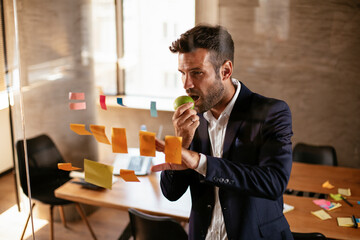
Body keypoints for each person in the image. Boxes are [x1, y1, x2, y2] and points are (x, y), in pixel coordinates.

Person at [151, 25, 294, 240]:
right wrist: (180, 143)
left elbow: (273, 183)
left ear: (225, 71)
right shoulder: (190, 119)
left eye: (197, 73)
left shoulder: (272, 112)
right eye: (182, 74)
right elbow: (171, 193)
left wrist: (199, 161)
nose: (186, 85)